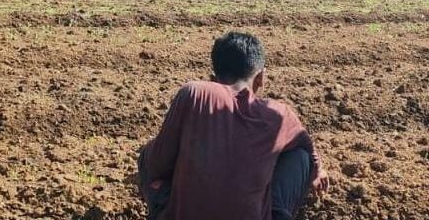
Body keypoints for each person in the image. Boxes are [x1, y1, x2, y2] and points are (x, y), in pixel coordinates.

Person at [137, 31, 328, 220]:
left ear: (213, 78)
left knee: (147, 155)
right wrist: (318, 171)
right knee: (299, 156)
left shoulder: (195, 93)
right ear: (261, 78)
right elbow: (308, 150)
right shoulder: (279, 115)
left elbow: (157, 163)